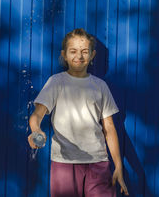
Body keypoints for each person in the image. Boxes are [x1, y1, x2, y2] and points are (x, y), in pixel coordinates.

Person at [27, 28, 129, 197]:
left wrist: (118, 166)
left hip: (98, 163)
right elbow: (37, 114)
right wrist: (36, 131)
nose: (79, 56)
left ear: (92, 55)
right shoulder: (56, 82)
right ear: (64, 54)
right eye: (73, 51)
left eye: (84, 52)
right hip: (64, 163)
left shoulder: (100, 86)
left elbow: (109, 128)